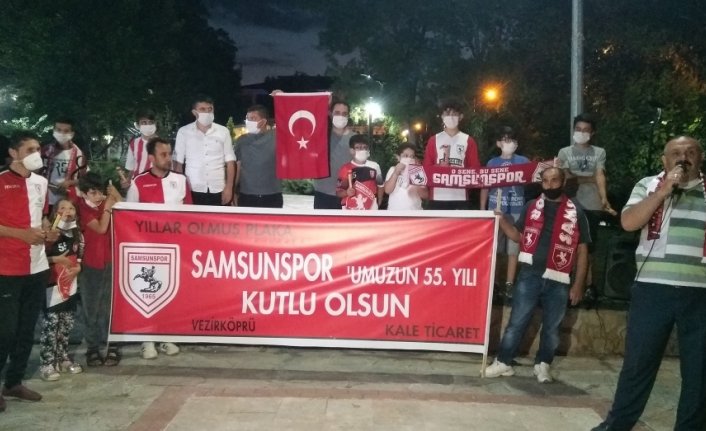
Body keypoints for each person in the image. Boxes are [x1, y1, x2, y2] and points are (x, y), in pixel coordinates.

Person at [592, 136, 706, 431]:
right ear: (665, 161)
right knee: (638, 365)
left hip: (701, 292)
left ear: (700, 157)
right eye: (676, 153)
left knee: (699, 371)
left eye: (690, 152)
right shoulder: (648, 185)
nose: (684, 157)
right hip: (653, 288)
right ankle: (617, 426)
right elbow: (628, 222)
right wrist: (663, 192)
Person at [483, 167, 590, 383]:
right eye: (546, 181)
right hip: (530, 274)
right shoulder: (532, 206)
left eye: (555, 180)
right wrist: (502, 221)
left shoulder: (576, 211)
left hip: (559, 278)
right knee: (517, 321)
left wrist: (578, 284)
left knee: (552, 327)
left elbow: (582, 250)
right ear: (541, 183)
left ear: (563, 183)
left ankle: (543, 365)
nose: (550, 185)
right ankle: (503, 361)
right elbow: (518, 236)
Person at [0, 131, 58, 411]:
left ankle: (14, 382)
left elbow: (43, 217)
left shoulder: (41, 182)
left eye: (38, 149)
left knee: (26, 330)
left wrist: (48, 232)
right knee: (5, 332)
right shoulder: (1, 181)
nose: (37, 154)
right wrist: (20, 234)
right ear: (14, 153)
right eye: (30, 150)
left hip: (37, 266)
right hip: (6, 267)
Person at [126, 137, 188, 359]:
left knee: (171, 293)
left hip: (175, 249)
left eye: (170, 153)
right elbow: (129, 217)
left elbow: (191, 216)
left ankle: (166, 336)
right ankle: (147, 339)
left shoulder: (181, 180)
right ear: (151, 158)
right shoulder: (139, 182)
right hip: (148, 250)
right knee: (149, 293)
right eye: (163, 154)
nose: (168, 158)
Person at [557, 114, 615, 298]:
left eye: (585, 130)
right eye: (578, 129)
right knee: (569, 245)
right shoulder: (564, 152)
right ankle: (569, 284)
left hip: (593, 205)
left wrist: (604, 198)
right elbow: (567, 177)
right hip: (571, 205)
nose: (581, 133)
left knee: (589, 248)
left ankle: (589, 286)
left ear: (592, 133)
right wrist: (589, 179)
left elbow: (600, 175)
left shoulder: (599, 152)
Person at [77, 172, 121, 367]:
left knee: (111, 306)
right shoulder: (81, 208)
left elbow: (126, 208)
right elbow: (102, 228)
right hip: (90, 263)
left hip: (112, 260)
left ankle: (112, 345)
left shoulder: (106, 202)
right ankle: (92, 347)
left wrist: (115, 195)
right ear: (83, 193)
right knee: (91, 307)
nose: (97, 196)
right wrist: (109, 207)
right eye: (92, 193)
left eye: (99, 192)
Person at [480, 127, 530, 298]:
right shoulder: (492, 163)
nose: (510, 143)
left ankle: (509, 284)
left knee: (513, 249)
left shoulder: (523, 161)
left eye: (513, 140)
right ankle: (494, 283)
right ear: (499, 143)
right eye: (507, 140)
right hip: (496, 210)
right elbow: (485, 187)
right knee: (495, 249)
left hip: (516, 210)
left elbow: (534, 177)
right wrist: (483, 210)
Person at [39, 199, 84, 381]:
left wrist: (78, 268)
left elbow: (79, 256)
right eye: (63, 208)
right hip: (52, 285)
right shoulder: (49, 234)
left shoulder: (77, 233)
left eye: (71, 208)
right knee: (51, 325)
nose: (67, 211)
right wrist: (57, 259)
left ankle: (63, 358)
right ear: (55, 213)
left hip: (69, 285)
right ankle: (47, 363)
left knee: (66, 324)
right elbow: (39, 257)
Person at [173, 95, 236, 206]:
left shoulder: (223, 131)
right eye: (202, 109)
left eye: (210, 109)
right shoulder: (184, 132)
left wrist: (229, 187)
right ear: (194, 112)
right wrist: (181, 190)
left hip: (218, 188)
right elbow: (178, 164)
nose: (207, 112)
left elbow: (230, 162)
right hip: (192, 188)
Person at [423, 98, 480, 209]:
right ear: (442, 117)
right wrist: (439, 167)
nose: (451, 117)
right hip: (437, 196)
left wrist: (459, 175)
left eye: (454, 114)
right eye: (447, 114)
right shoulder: (433, 140)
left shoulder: (468, 140)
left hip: (460, 196)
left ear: (461, 117)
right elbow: (426, 168)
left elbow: (475, 169)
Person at [234, 104, 282, 208]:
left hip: (272, 195)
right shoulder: (241, 141)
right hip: (247, 195)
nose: (248, 122)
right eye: (247, 118)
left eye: (253, 118)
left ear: (263, 121)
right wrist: (232, 191)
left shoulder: (276, 137)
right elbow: (237, 167)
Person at [313, 100, 354, 209]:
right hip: (323, 193)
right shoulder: (321, 136)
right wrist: (282, 99)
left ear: (348, 116)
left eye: (344, 114)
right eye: (337, 113)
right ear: (330, 114)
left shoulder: (355, 139)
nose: (341, 116)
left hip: (347, 194)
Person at [41, 118, 87, 211]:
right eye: (58, 130)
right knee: (46, 220)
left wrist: (69, 183)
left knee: (59, 220)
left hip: (67, 201)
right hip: (45, 198)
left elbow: (85, 179)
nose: (61, 133)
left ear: (72, 134)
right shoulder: (45, 151)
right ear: (54, 131)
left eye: (66, 131)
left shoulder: (79, 154)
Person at [335, 134, 383, 210]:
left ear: (368, 150)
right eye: (358, 148)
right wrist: (347, 192)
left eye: (364, 147)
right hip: (350, 210)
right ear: (351, 150)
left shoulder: (375, 166)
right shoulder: (345, 168)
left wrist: (378, 203)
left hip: (371, 209)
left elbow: (380, 186)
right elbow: (338, 192)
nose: (362, 150)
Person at [384, 143, 427, 210]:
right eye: (405, 156)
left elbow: (425, 195)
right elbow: (387, 190)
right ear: (398, 157)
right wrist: (396, 173)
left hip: (415, 212)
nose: (409, 159)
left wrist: (417, 185)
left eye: (412, 156)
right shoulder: (392, 169)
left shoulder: (417, 171)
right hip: (395, 211)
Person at [121, 109, 158, 187]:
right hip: (137, 186)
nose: (147, 125)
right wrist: (127, 181)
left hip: (156, 186)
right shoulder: (133, 144)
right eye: (144, 123)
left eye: (150, 122)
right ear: (137, 125)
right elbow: (131, 167)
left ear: (155, 124)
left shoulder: (162, 144)